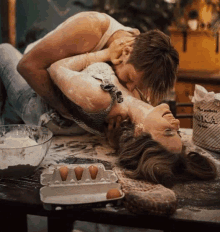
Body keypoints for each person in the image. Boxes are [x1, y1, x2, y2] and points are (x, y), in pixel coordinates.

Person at [0, 44, 216, 187]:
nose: (176, 122)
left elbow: (55, 67)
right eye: (177, 130)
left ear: (140, 131)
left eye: (169, 131)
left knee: (4, 50)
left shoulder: (103, 99)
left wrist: (103, 54)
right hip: (60, 116)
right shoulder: (139, 105)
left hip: (37, 105)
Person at [17, 11, 179, 124]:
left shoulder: (141, 59)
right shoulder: (90, 28)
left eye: (137, 87)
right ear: (126, 52)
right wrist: (66, 112)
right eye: (130, 79)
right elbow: (27, 66)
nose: (130, 89)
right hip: (34, 74)